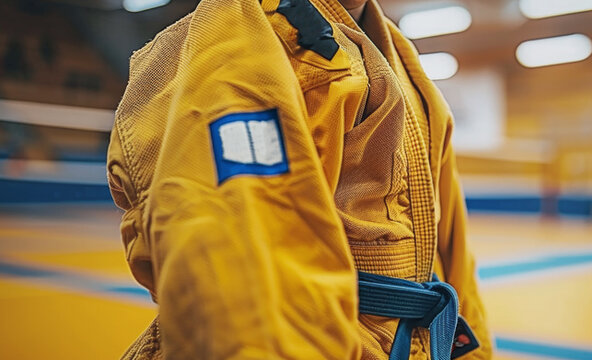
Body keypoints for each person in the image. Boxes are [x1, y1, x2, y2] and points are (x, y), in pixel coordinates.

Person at [106, 0, 491, 359]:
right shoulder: (232, 41)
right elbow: (230, 275)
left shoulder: (398, 53)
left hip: (407, 340)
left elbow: (451, 244)